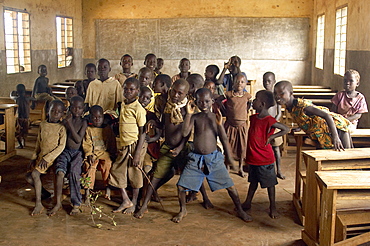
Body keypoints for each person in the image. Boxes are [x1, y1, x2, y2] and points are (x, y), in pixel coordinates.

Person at [172, 88, 251, 223]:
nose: (203, 104)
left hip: (213, 158)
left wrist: (230, 158)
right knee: (180, 186)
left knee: (230, 186)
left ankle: (239, 209)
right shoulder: (195, 117)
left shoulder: (215, 118)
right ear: (195, 102)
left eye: (207, 101)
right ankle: (182, 210)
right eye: (200, 101)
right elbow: (185, 133)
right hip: (195, 158)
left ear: (212, 101)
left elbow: (224, 138)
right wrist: (189, 114)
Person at [134, 79, 190, 219]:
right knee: (155, 177)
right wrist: (154, 122)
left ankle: (183, 209)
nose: (175, 95)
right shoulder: (167, 106)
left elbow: (188, 134)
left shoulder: (188, 110)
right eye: (173, 92)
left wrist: (180, 147)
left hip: (182, 149)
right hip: (168, 147)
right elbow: (164, 126)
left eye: (180, 93)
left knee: (183, 182)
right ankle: (144, 205)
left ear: (186, 94)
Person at [242, 90, 289, 219]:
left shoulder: (269, 120)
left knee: (270, 184)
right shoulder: (254, 118)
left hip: (264, 159)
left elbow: (286, 129)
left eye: (256, 99)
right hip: (253, 158)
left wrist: (272, 136)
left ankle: (273, 206)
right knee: (253, 182)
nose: (253, 101)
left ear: (262, 104)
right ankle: (247, 202)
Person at [274, 80, 352, 150]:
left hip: (336, 128)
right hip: (321, 133)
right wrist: (300, 127)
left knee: (346, 155)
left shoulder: (301, 105)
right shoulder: (290, 107)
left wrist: (336, 138)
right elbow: (306, 118)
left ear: (291, 93)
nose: (277, 96)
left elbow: (327, 116)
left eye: (281, 93)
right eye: (275, 93)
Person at [108, 78, 147, 214]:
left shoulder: (139, 109)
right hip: (125, 145)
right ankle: (126, 199)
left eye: (131, 89)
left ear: (137, 91)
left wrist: (137, 154)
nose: (128, 91)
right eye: (126, 89)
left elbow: (143, 133)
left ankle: (134, 202)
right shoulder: (123, 105)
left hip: (136, 145)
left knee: (134, 173)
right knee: (116, 171)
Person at [26, 100, 66, 216]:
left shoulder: (61, 128)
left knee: (58, 175)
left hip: (54, 158)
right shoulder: (43, 124)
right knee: (32, 175)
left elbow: (61, 146)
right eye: (53, 110)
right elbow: (39, 142)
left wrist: (48, 158)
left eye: (58, 112)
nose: (55, 114)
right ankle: (39, 201)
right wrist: (33, 157)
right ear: (48, 111)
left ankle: (58, 202)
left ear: (62, 114)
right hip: (42, 157)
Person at [49, 96, 88, 216]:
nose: (77, 110)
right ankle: (57, 203)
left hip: (77, 153)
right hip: (65, 151)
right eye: (74, 107)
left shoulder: (83, 122)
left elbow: (77, 140)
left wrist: (70, 124)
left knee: (74, 173)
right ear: (70, 108)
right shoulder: (64, 121)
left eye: (80, 108)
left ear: (83, 109)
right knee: (59, 172)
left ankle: (76, 204)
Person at [217, 73, 251, 177]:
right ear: (233, 83)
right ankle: (227, 167)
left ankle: (240, 167)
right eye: (237, 81)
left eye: (242, 82)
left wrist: (246, 110)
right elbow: (219, 101)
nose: (239, 84)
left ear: (245, 83)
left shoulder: (247, 95)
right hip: (230, 125)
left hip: (242, 126)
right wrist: (225, 111)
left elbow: (249, 104)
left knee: (242, 146)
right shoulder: (228, 94)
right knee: (228, 145)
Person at [82, 105, 117, 200]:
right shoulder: (88, 129)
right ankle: (87, 191)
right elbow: (87, 144)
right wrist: (89, 154)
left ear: (103, 117)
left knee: (107, 165)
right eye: (94, 117)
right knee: (89, 166)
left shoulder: (107, 129)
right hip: (93, 153)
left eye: (99, 117)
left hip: (105, 153)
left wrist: (113, 154)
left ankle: (108, 188)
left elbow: (112, 143)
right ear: (90, 118)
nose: (97, 119)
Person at [263, 72, 285, 179]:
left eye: (269, 81)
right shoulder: (262, 95)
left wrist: (273, 123)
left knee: (276, 148)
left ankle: (279, 170)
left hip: (274, 126)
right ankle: (267, 170)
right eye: (265, 81)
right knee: (264, 148)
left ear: (274, 82)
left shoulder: (276, 96)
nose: (267, 83)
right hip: (264, 126)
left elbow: (279, 113)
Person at [15, 84, 32, 149]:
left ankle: (20, 144)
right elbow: (34, 99)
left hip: (20, 118)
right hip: (26, 118)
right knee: (25, 132)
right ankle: (24, 142)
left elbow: (12, 96)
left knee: (18, 132)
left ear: (17, 92)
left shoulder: (17, 99)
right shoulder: (27, 98)